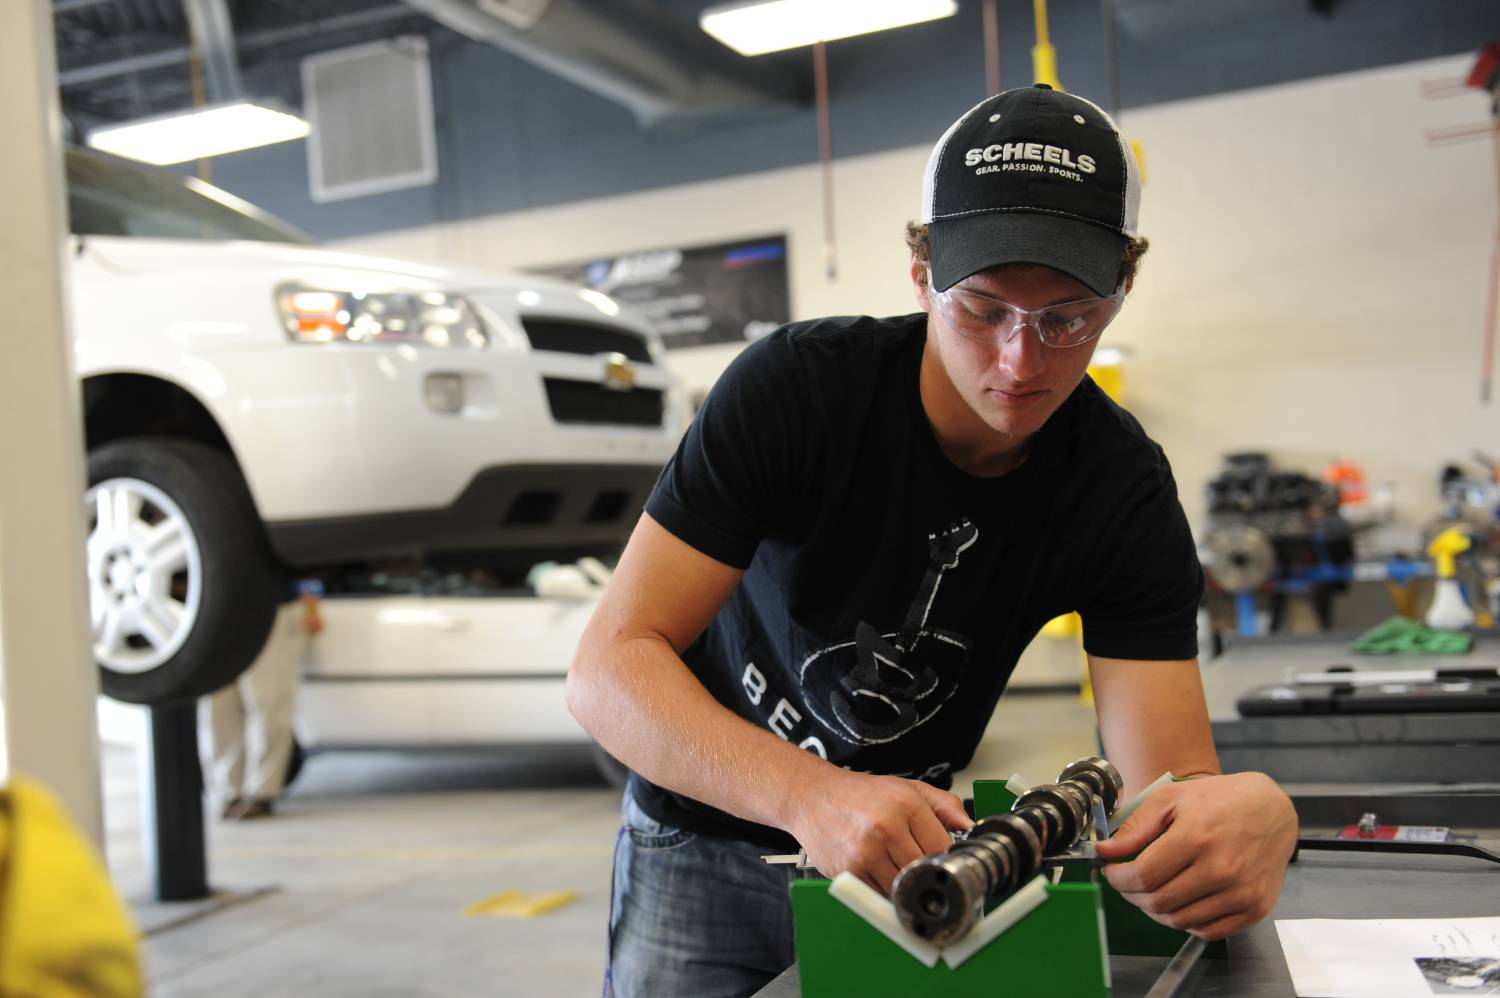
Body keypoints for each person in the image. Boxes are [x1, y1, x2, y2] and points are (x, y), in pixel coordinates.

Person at [566, 84, 1298, 998]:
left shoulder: (1120, 487)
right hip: (702, 838)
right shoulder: (794, 394)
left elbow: (1165, 795)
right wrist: (809, 797)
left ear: (1121, 292)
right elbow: (608, 669)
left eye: (1067, 318)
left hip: (910, 868)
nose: (1020, 364)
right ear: (920, 275)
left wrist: (1254, 816)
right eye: (982, 309)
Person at [198, 587, 319, 820]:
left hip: (272, 608)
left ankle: (262, 793)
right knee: (218, 706)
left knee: (269, 703)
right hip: (214, 608)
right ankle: (227, 792)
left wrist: (312, 600)